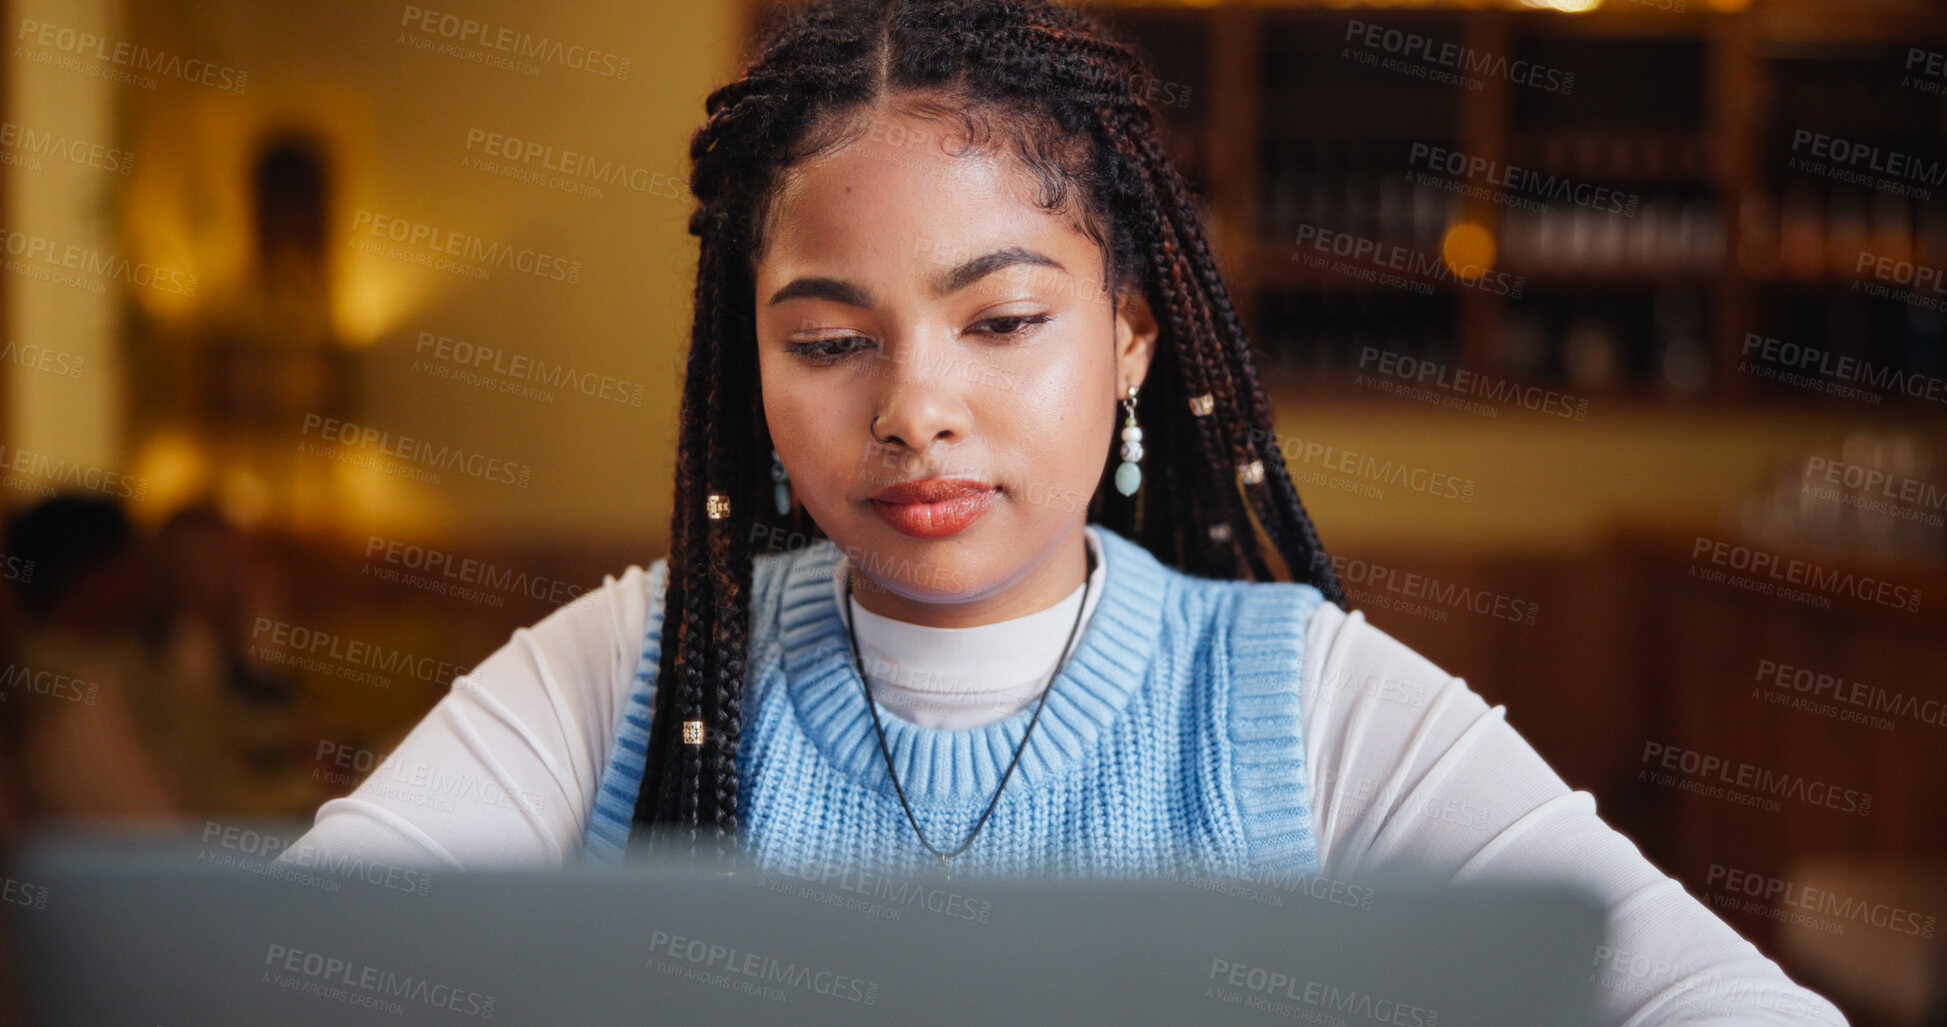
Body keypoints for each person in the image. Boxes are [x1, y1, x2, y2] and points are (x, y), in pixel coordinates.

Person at [281, 1, 1850, 1021]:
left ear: (1131, 339)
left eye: (1005, 320)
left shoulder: (1299, 701)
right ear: (745, 368)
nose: (914, 407)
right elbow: (279, 973)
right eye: (826, 343)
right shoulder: (633, 664)